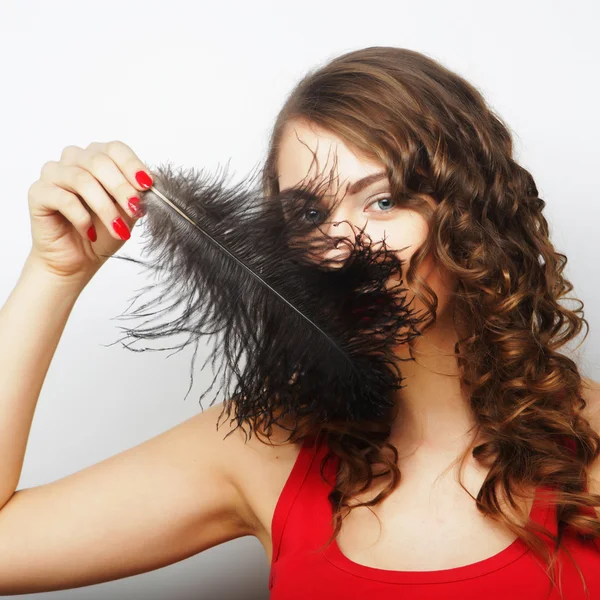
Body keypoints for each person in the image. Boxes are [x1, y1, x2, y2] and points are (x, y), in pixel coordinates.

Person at [0, 46, 599, 598]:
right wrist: (54, 272)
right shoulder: (266, 449)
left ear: (472, 212)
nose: (341, 248)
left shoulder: (590, 443)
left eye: (383, 200)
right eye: (310, 213)